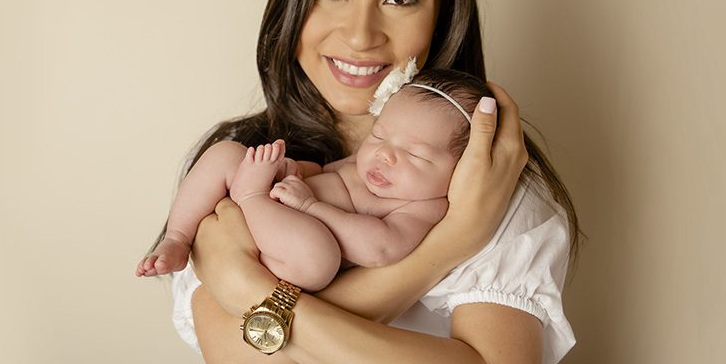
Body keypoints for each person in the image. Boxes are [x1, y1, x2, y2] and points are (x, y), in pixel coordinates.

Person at [140, 0, 582, 364]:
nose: (360, 34)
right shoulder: (250, 161)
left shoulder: (488, 187)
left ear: (442, 17)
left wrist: (250, 289)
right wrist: (447, 246)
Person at [137, 68, 493, 292]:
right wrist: (294, 170)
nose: (385, 155)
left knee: (319, 259)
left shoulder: (425, 207)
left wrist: (310, 205)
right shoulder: (369, 162)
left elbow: (380, 248)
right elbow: (328, 173)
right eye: (381, 136)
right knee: (229, 153)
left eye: (415, 154)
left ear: (462, 168)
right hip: (275, 203)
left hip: (288, 245)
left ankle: (250, 197)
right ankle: (177, 237)